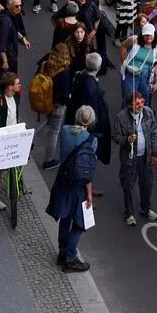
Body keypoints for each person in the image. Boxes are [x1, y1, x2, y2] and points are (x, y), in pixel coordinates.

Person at [46, 103, 99, 272]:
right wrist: (89, 194)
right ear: (91, 122)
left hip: (63, 180)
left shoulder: (65, 131)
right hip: (78, 186)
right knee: (79, 223)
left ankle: (62, 250)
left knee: (65, 217)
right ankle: (70, 256)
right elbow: (87, 172)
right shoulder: (92, 141)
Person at [114, 89, 157, 226]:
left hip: (145, 157)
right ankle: (129, 213)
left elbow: (154, 132)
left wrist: (155, 153)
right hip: (129, 158)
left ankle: (146, 208)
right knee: (128, 185)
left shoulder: (148, 112)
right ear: (129, 105)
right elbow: (115, 136)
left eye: (142, 102)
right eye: (137, 103)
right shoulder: (121, 117)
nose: (140, 105)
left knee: (147, 183)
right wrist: (127, 139)